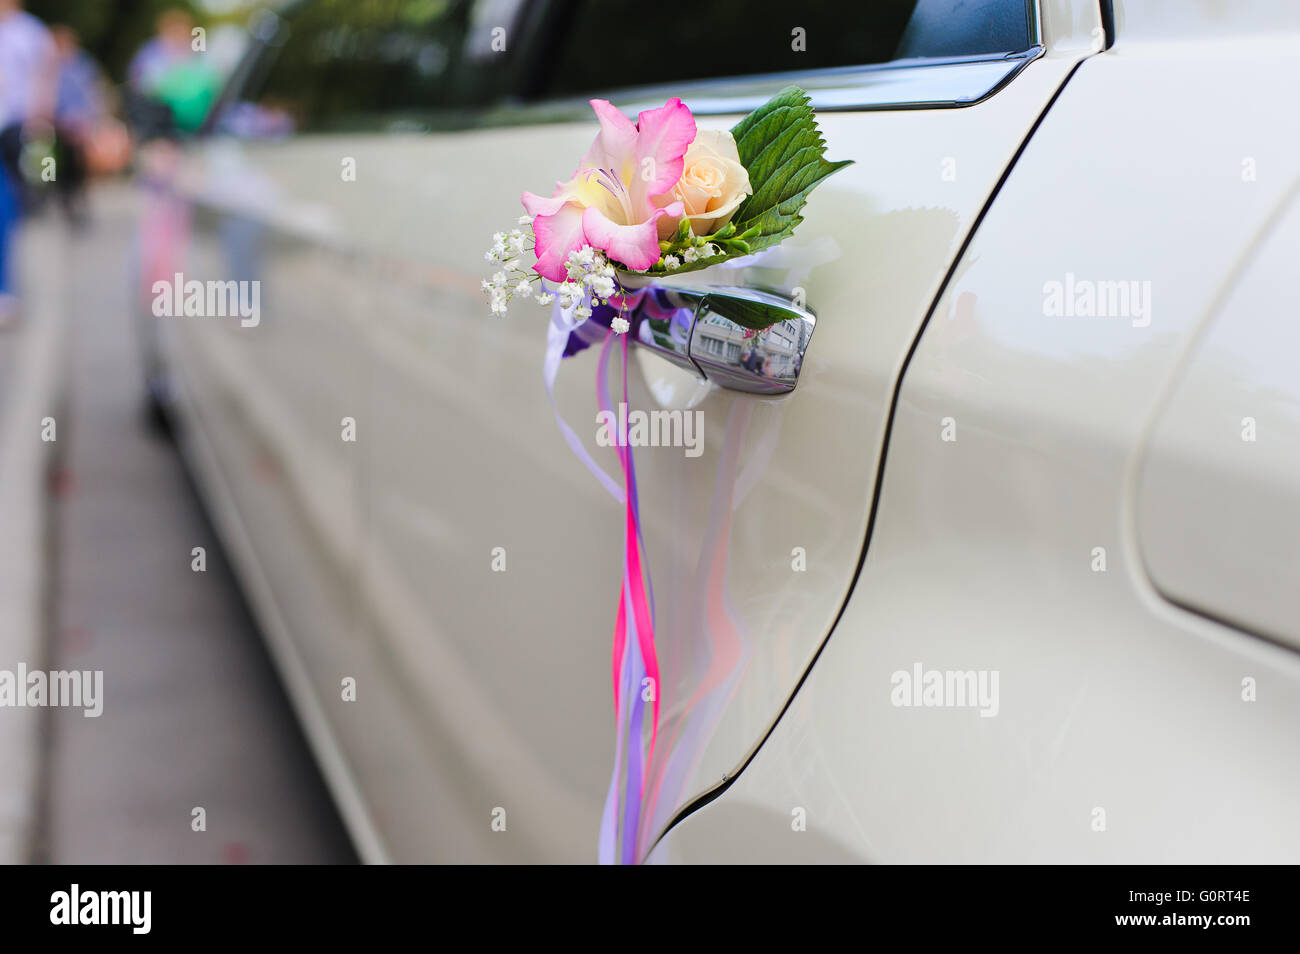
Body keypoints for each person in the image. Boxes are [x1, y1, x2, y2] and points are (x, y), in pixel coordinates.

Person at [0, 0, 56, 327]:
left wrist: (40, 119)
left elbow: (45, 77)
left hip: (15, 127)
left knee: (7, 203)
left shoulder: (30, 32)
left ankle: (5, 287)